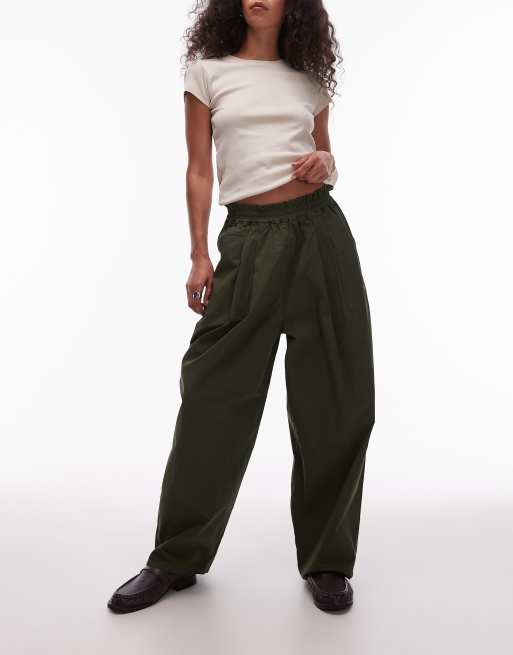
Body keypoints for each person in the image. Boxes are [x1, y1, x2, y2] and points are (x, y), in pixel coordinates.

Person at [107, 0, 374, 614]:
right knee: (213, 398)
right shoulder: (208, 73)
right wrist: (200, 254)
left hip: (320, 236)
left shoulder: (310, 78)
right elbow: (199, 169)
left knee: (338, 399)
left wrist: (327, 164)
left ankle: (328, 560)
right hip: (248, 241)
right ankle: (175, 558)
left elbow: (327, 159)